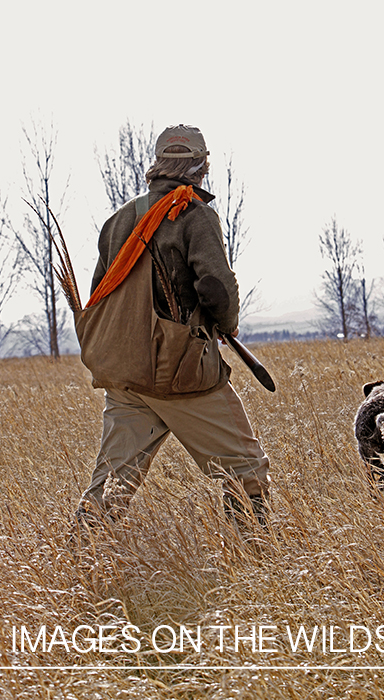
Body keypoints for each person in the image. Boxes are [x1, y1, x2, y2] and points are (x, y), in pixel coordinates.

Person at [75, 124, 270, 537]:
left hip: (126, 374)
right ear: (201, 166)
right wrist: (226, 324)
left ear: (158, 164)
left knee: (111, 485)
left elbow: (99, 295)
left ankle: (80, 562)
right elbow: (216, 286)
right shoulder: (194, 215)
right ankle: (257, 562)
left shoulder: (118, 220)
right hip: (179, 375)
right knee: (246, 470)